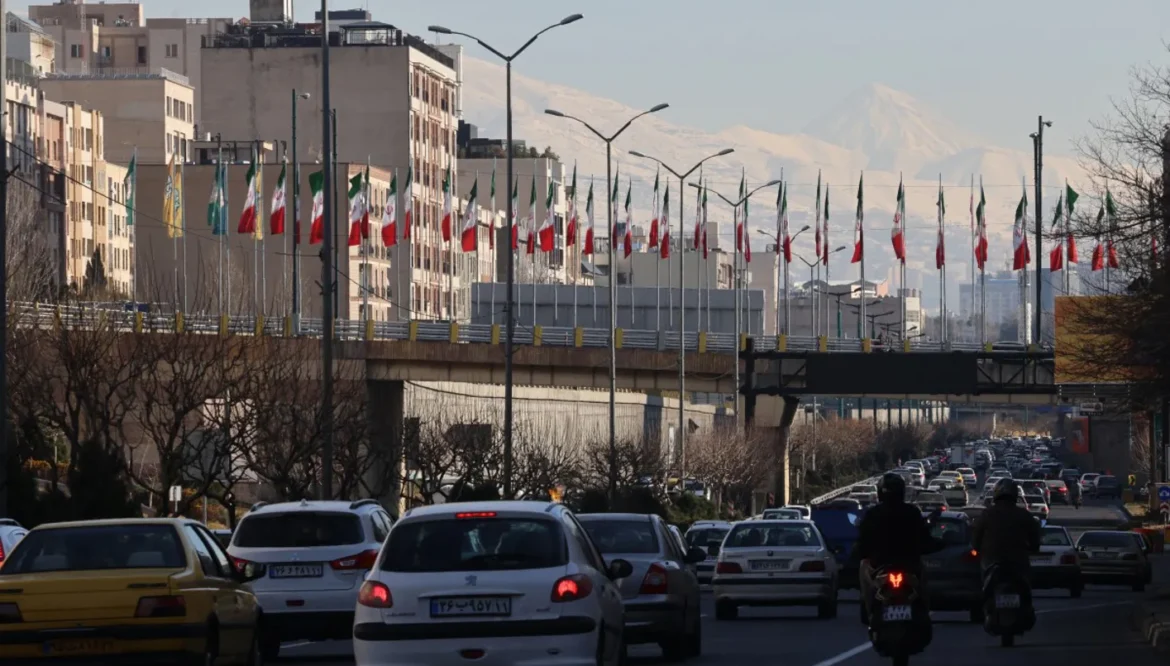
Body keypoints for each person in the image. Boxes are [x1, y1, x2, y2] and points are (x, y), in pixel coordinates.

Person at [856, 472, 941, 626]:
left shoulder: (873, 514)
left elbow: (862, 541)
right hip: (902, 564)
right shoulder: (911, 512)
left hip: (889, 565)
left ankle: (869, 609)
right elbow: (924, 539)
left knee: (864, 569)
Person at [972, 478, 1041, 605]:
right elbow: (1035, 537)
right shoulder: (1023, 515)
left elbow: (976, 536)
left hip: (996, 561)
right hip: (1012, 562)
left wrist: (977, 548)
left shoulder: (987, 514)